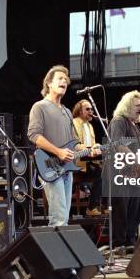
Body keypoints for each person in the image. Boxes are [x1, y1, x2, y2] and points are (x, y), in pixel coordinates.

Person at [27, 65, 100, 226]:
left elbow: (74, 142)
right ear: (49, 84)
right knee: (59, 218)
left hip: (67, 169)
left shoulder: (67, 111)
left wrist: (90, 150)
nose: (64, 82)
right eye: (60, 79)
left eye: (66, 80)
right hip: (49, 166)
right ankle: (52, 251)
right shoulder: (39, 107)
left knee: (63, 218)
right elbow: (33, 135)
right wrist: (58, 152)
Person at [108, 90, 140, 251]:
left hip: (135, 174)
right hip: (119, 172)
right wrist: (136, 159)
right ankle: (119, 244)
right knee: (121, 210)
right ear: (128, 105)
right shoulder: (119, 121)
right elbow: (118, 144)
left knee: (136, 208)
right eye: (138, 105)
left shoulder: (135, 127)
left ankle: (130, 242)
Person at [72, 99, 103, 216]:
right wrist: (89, 149)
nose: (91, 111)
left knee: (107, 171)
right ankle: (92, 207)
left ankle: (100, 206)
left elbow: (92, 143)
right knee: (100, 173)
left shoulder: (90, 126)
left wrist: (97, 146)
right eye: (88, 109)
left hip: (89, 161)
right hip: (76, 163)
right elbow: (75, 144)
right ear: (80, 111)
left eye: (92, 109)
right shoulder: (73, 123)